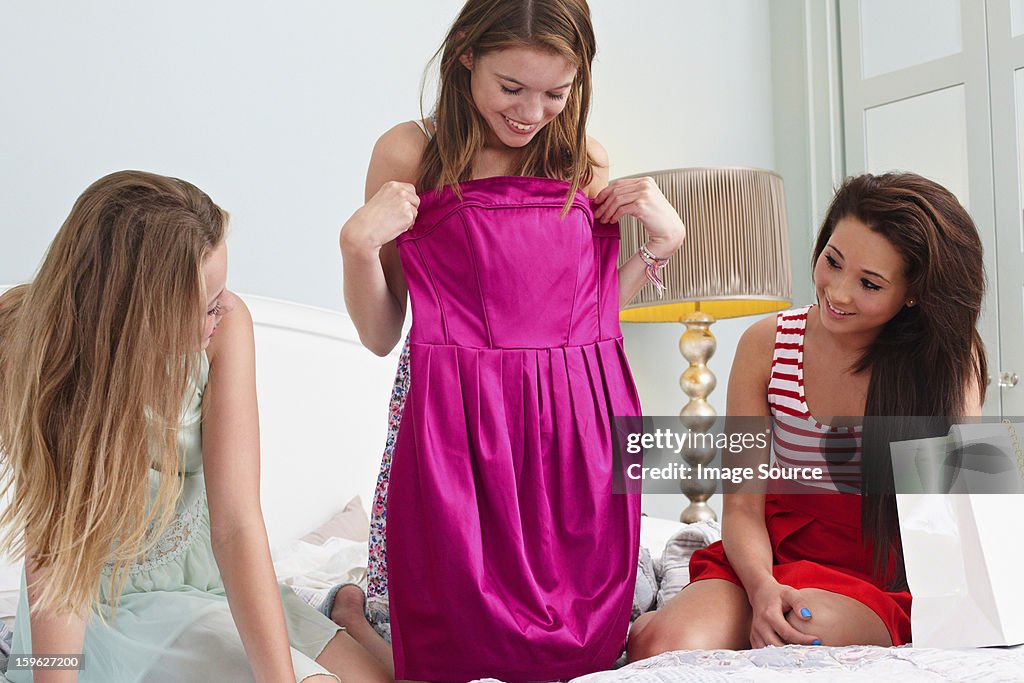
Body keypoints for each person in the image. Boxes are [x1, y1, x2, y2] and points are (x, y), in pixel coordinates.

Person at [333, 0, 686, 679]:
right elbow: (380, 334)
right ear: (466, 53)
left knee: (579, 634)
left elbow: (587, 316)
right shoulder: (411, 152)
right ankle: (355, 614)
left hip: (571, 423)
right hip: (457, 420)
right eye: (512, 88)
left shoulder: (582, 159)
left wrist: (663, 243)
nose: (532, 112)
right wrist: (356, 246)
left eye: (557, 92)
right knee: (454, 635)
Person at [0, 171, 390, 683]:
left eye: (222, 292)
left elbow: (235, 525)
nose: (222, 310)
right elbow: (55, 564)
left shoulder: (226, 328)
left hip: (210, 581)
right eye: (206, 303)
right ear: (140, 310)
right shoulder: (41, 353)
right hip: (101, 610)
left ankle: (346, 616)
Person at [626, 172, 986, 659]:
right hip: (768, 553)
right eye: (832, 261)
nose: (836, 292)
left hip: (877, 570)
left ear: (914, 294)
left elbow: (964, 507)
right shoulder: (768, 343)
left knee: (802, 628)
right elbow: (742, 508)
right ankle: (657, 607)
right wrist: (760, 589)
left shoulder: (947, 362)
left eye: (869, 283)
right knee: (662, 646)